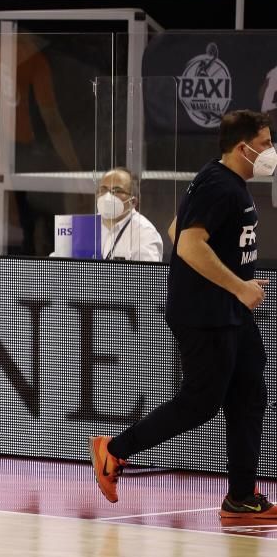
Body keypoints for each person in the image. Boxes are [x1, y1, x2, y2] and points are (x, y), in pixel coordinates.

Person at [89, 110, 276, 519]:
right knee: (200, 403)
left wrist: (237, 279)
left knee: (250, 395)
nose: (270, 151)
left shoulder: (222, 180)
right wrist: (239, 285)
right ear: (241, 147)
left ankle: (241, 496)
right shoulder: (219, 185)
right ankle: (113, 451)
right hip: (205, 313)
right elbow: (188, 245)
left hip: (230, 310)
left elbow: (177, 228)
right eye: (264, 144)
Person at [94, 167, 163, 262]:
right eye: (103, 189)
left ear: (133, 202)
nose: (107, 196)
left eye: (117, 191)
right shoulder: (87, 226)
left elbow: (147, 275)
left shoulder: (145, 233)